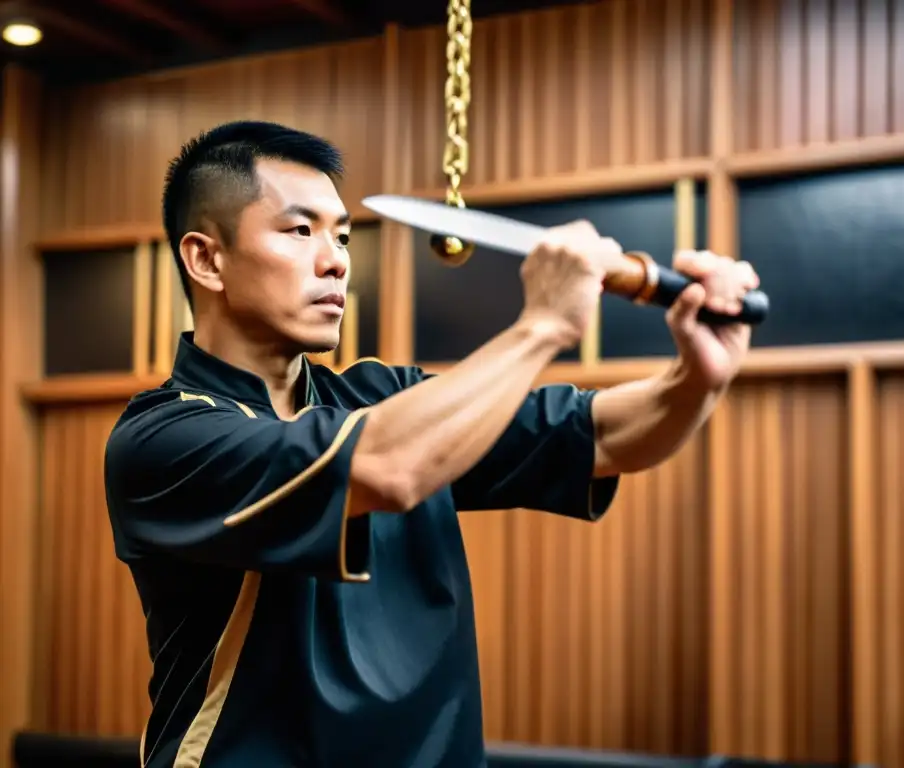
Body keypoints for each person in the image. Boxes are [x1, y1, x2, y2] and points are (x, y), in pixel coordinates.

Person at [104, 120, 759, 768]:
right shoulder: (165, 440)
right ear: (206, 259)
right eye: (301, 231)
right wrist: (543, 326)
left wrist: (697, 375)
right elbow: (387, 466)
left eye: (341, 235)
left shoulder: (384, 399)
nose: (335, 260)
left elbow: (602, 437)